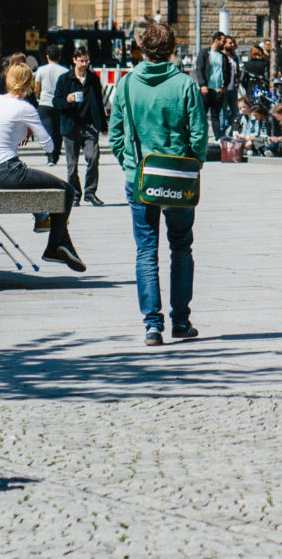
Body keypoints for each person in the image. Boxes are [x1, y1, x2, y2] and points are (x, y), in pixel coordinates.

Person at [111, 20, 209, 344]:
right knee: (181, 246)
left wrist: (129, 163)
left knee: (146, 249)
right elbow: (198, 136)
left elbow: (114, 135)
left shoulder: (125, 85)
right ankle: (181, 320)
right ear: (171, 49)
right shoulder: (185, 85)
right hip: (178, 176)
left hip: (139, 175)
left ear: (142, 49)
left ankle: (152, 325)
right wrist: (193, 166)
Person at [0, 62, 85, 271]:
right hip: (9, 172)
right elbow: (49, 145)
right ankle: (54, 246)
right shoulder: (25, 108)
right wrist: (27, 128)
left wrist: (14, 133)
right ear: (29, 84)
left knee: (58, 188)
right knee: (67, 190)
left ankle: (64, 244)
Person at [54, 47, 110, 207]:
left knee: (93, 157)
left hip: (89, 126)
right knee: (72, 165)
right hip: (71, 126)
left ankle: (90, 193)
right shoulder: (65, 79)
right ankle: (75, 194)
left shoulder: (93, 78)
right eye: (81, 61)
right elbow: (56, 102)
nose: (84, 64)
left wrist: (103, 125)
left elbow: (99, 102)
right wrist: (67, 100)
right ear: (74, 60)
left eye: (87, 61)